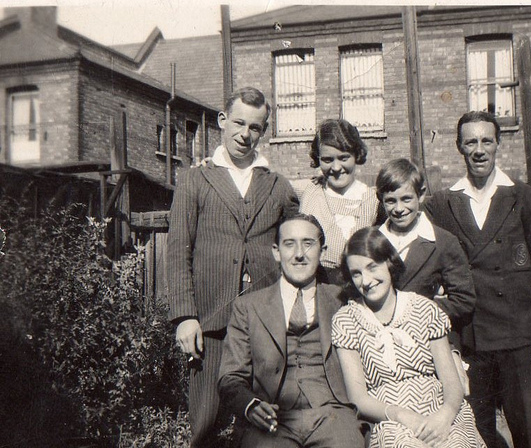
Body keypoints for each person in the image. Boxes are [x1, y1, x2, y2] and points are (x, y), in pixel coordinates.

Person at [167, 86, 299, 447]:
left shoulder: (277, 185)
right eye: (239, 122)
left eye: (255, 127)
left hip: (264, 320)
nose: (245, 134)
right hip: (209, 321)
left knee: (264, 422)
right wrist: (184, 316)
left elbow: (293, 247)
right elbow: (178, 250)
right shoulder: (196, 179)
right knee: (206, 422)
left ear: (264, 131)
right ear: (223, 122)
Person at [425, 111, 531, 448]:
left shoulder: (524, 197)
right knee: (478, 436)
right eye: (470, 142)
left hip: (522, 339)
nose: (479, 149)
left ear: (498, 144)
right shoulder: (443, 203)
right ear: (459, 146)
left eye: (486, 141)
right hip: (472, 338)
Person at [218, 213, 365, 448]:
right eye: (290, 244)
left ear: (323, 251)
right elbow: (230, 376)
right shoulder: (248, 307)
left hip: (333, 415)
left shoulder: (342, 300)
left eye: (308, 243)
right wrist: (251, 405)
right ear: (276, 252)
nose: (299, 254)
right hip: (273, 419)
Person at [332, 227, 486, 448]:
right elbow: (358, 397)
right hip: (389, 416)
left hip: (440, 407)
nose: (366, 280)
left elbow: (451, 381)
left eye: (372, 267)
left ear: (388, 262)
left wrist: (445, 415)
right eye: (356, 273)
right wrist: (402, 416)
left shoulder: (423, 308)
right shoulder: (347, 319)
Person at [375, 158, 476, 352]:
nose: (398, 209)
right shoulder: (374, 241)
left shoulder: (443, 242)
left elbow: (464, 299)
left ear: (420, 195)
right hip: (382, 344)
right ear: (381, 200)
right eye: (390, 201)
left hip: (429, 342)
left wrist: (420, 310)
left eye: (406, 199)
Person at [292, 118, 383, 284]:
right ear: (317, 159)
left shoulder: (374, 200)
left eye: (343, 158)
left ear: (356, 155)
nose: (335, 168)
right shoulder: (306, 190)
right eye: (327, 160)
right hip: (314, 289)